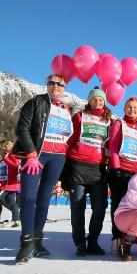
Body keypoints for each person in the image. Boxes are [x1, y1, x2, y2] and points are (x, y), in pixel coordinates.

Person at [12, 74, 73, 264]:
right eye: (52, 83)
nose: (56, 86)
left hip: (58, 158)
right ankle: (26, 242)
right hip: (36, 156)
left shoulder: (67, 109)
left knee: (44, 199)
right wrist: (30, 153)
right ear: (47, 85)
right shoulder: (35, 102)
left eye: (60, 84)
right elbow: (22, 128)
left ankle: (37, 241)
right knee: (28, 197)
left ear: (64, 87)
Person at [62, 87, 112, 256]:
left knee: (100, 207)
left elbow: (110, 144)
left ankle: (93, 242)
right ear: (89, 101)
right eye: (95, 99)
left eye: (101, 100)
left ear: (104, 102)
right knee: (77, 207)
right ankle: (79, 244)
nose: (98, 102)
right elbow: (70, 138)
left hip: (98, 169)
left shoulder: (109, 121)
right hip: (77, 166)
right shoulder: (79, 116)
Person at [108, 97, 137, 252]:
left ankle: (128, 237)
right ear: (124, 109)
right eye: (129, 107)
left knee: (133, 206)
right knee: (118, 206)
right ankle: (117, 237)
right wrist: (116, 169)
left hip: (135, 173)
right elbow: (113, 147)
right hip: (120, 171)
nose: (132, 110)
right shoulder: (119, 124)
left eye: (135, 108)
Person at [0, 141, 20, 228]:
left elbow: (15, 166)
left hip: (11, 183)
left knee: (2, 198)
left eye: (3, 147)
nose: (2, 148)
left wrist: (5, 158)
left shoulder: (12, 154)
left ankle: (16, 218)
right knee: (9, 200)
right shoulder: (5, 155)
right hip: (5, 183)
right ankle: (16, 217)